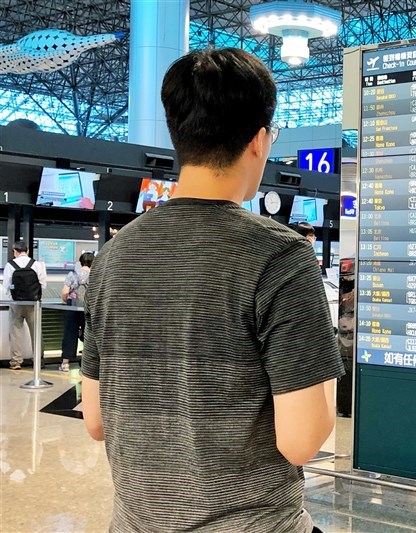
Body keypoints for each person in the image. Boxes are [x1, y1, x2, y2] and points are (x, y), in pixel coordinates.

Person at [80, 48, 344, 533]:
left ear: (178, 136)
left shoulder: (113, 257)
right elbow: (302, 440)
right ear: (259, 141)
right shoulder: (279, 255)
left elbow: (96, 422)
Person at [2, 241, 47, 370]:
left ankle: (16, 362)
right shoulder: (36, 264)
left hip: (16, 303)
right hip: (33, 303)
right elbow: (43, 284)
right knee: (36, 332)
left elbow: (6, 286)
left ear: (14, 251)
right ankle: (38, 360)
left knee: (15, 333)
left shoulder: (10, 265)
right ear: (27, 251)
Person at [59, 252, 93, 373]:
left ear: (80, 262)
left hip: (72, 307)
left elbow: (64, 291)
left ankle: (65, 363)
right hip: (88, 308)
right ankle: (87, 363)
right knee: (88, 335)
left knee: (70, 333)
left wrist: (65, 300)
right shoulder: (95, 275)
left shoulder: (73, 274)